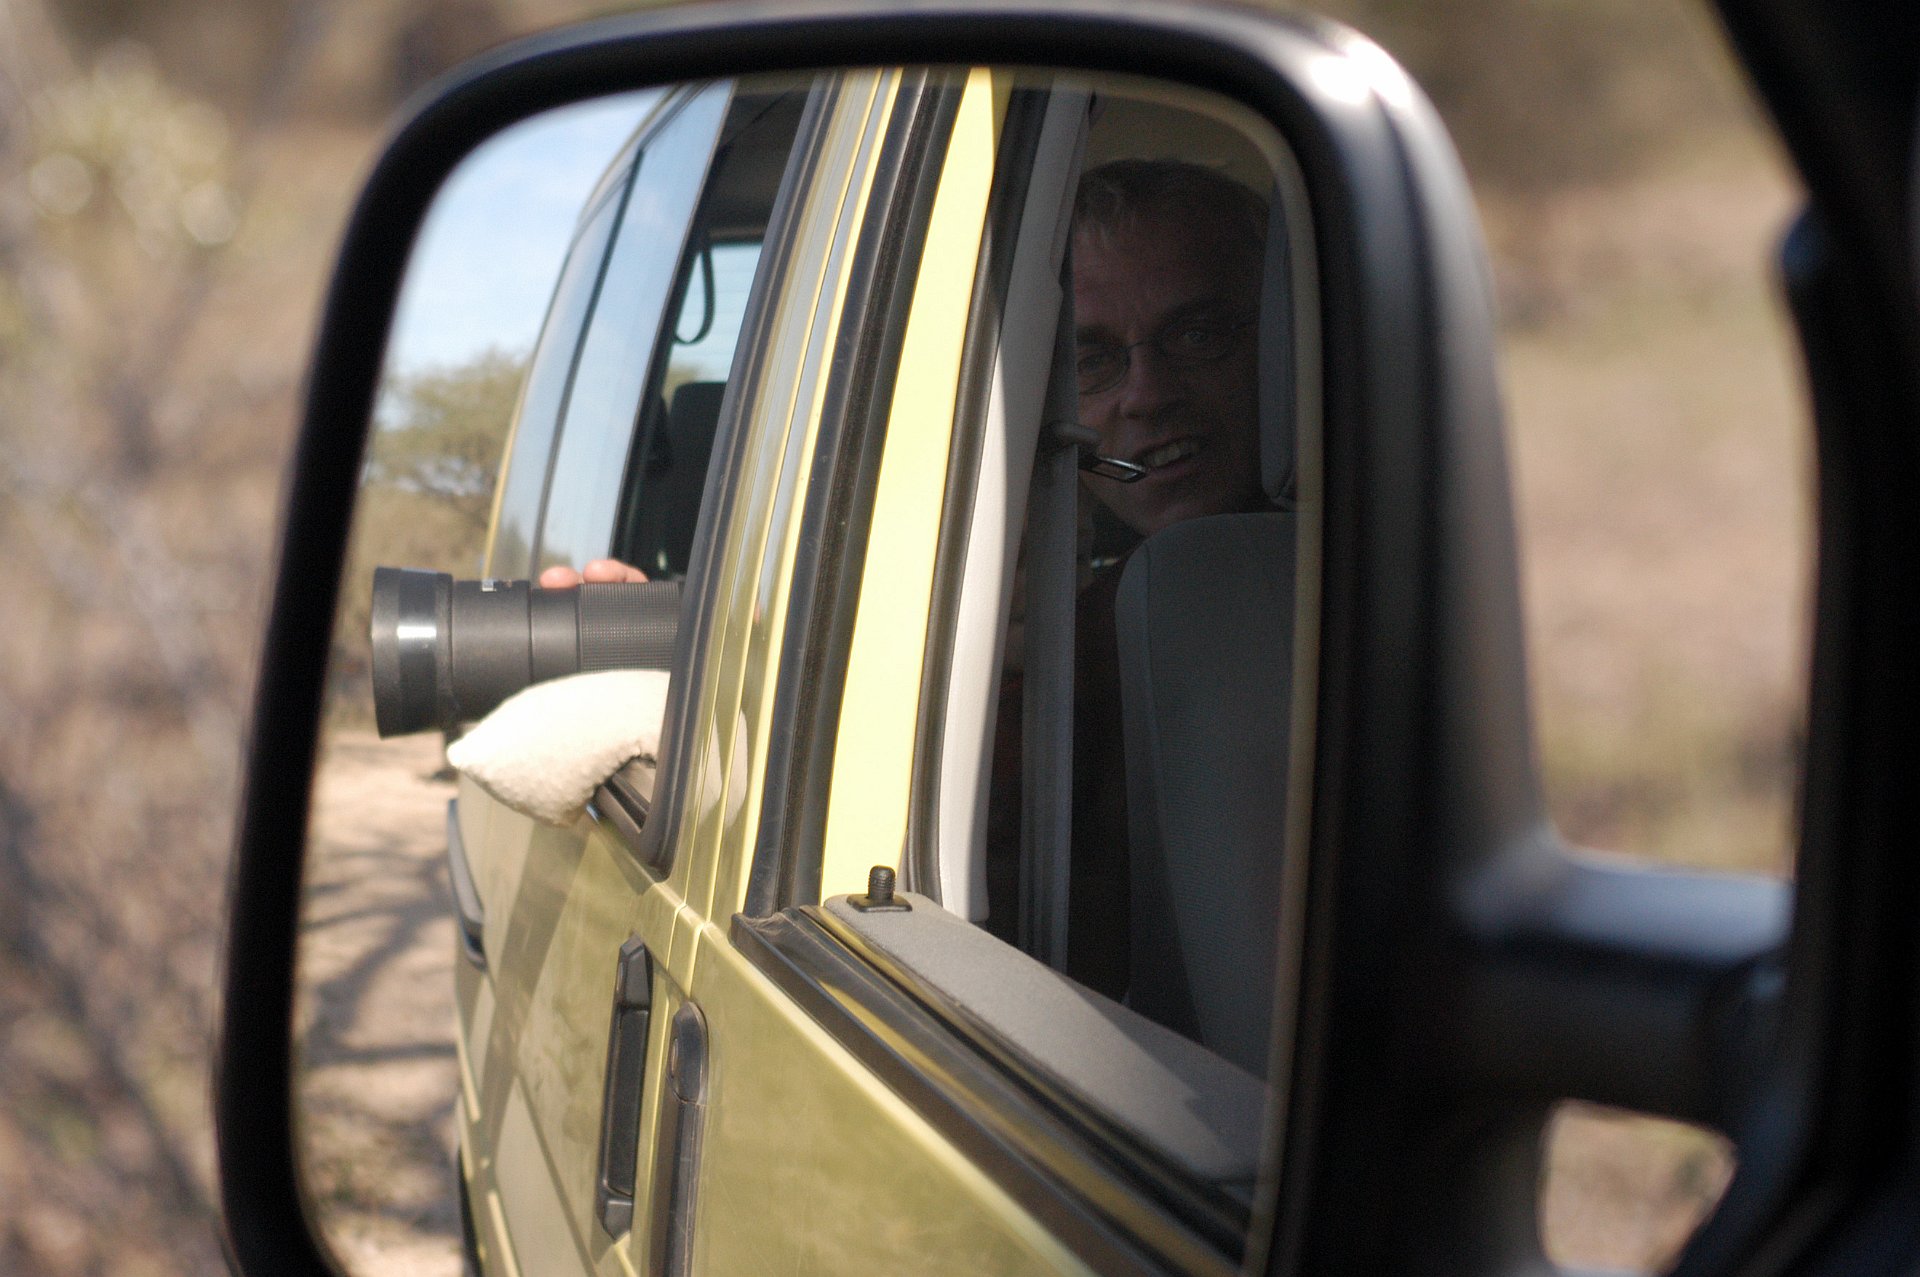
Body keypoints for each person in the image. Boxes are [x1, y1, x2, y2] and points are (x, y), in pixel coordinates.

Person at [985, 159, 1275, 997]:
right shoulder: (1065, 656)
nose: (1148, 394)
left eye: (1199, 335)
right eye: (1093, 359)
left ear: (1287, 337)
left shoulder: (1382, 573)